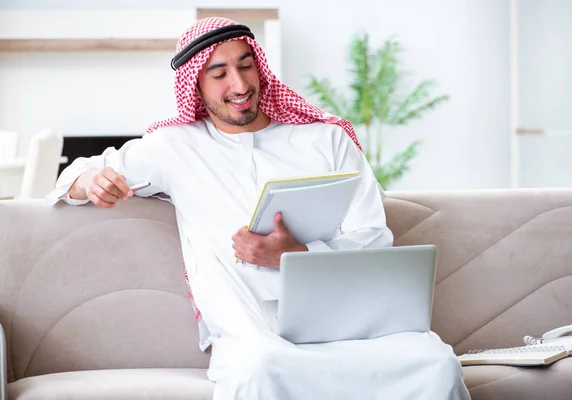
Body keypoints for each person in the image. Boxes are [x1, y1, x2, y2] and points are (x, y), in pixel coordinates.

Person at [47, 17, 470, 400]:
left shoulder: (325, 140)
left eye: (246, 65)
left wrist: (297, 256)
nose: (240, 84)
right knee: (261, 370)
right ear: (195, 85)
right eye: (219, 73)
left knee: (436, 366)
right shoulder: (175, 148)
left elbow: (375, 237)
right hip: (255, 335)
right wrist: (90, 182)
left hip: (357, 326)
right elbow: (76, 174)